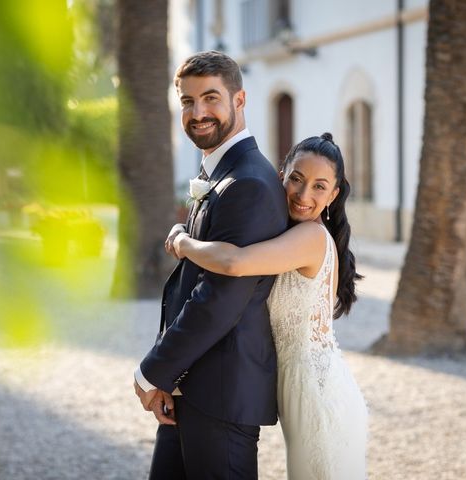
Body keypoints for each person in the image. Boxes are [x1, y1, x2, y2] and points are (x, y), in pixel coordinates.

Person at [170, 134, 368, 479]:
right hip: (299, 389)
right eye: (296, 179)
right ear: (281, 175)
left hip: (317, 395)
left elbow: (233, 263)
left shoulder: (310, 238)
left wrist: (184, 242)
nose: (304, 195)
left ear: (334, 195)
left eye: (319, 187)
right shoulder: (288, 233)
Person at [133, 51, 289, 479]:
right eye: (187, 101)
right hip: (191, 386)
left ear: (239, 100)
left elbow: (219, 298)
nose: (198, 113)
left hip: (222, 395)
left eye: (210, 98)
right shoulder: (223, 175)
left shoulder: (249, 184)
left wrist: (153, 370)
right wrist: (171, 377)